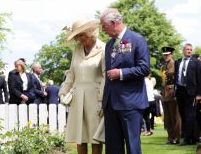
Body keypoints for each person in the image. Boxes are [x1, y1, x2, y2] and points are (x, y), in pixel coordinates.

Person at [100, 8, 150, 154]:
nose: (102, 30)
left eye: (104, 26)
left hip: (130, 104)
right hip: (111, 104)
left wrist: (121, 73)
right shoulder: (109, 44)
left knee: (132, 147)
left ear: (114, 23)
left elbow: (144, 68)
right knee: (112, 147)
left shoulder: (137, 40)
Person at [59, 18, 105, 154]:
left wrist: (102, 99)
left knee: (95, 137)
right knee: (80, 137)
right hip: (78, 97)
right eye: (77, 36)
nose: (79, 39)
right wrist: (63, 92)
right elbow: (71, 74)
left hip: (96, 98)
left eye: (81, 35)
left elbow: (105, 76)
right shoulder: (77, 49)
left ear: (91, 32)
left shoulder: (103, 48)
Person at [175, 43, 201, 145]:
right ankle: (188, 136)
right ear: (183, 50)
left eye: (190, 49)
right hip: (180, 91)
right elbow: (176, 76)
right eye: (187, 49)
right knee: (183, 114)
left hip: (191, 92)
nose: (189, 51)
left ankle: (189, 138)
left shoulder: (197, 63)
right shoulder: (178, 62)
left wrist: (199, 94)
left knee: (190, 114)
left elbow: (200, 79)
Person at [160, 46, 181, 144]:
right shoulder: (164, 66)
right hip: (165, 93)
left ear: (171, 55)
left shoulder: (175, 63)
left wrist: (176, 92)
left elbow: (177, 78)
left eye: (167, 54)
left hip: (172, 92)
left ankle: (176, 138)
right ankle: (170, 137)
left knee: (174, 116)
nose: (166, 56)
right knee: (167, 117)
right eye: (164, 55)